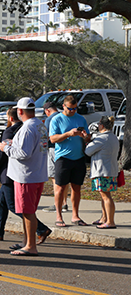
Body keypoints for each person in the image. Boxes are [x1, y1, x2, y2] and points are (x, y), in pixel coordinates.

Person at [0, 107, 52, 244]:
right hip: (24, 173)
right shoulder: (33, 127)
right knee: (2, 203)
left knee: (16, 207)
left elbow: (2, 154)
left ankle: (41, 229)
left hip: (14, 174)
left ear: (10, 118)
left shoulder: (15, 130)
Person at [0, 97, 50, 256]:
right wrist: (12, 144)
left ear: (20, 111)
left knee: (27, 212)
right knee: (28, 211)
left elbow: (23, 153)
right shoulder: (40, 125)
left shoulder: (28, 128)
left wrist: (5, 148)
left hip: (26, 176)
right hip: (36, 173)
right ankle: (26, 242)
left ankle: (31, 246)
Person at [49, 95, 91, 226]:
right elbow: (52, 139)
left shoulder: (81, 119)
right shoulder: (56, 119)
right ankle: (59, 216)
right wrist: (68, 134)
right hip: (63, 158)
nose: (72, 111)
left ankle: (75, 216)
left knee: (76, 188)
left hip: (79, 158)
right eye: (70, 109)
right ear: (63, 106)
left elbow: (88, 137)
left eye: (75, 109)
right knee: (60, 188)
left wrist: (85, 137)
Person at [84, 115, 120, 229]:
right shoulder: (113, 137)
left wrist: (87, 141)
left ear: (102, 126)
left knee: (106, 196)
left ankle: (110, 221)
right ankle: (104, 218)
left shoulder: (101, 138)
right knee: (104, 195)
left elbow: (88, 151)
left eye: (99, 124)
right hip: (111, 170)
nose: (98, 126)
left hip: (102, 171)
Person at [41, 101, 61, 211]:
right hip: (64, 149)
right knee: (63, 178)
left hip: (53, 149)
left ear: (48, 111)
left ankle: (57, 203)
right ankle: (64, 202)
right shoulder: (63, 116)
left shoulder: (50, 119)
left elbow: (45, 136)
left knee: (54, 177)